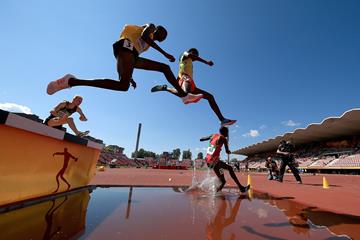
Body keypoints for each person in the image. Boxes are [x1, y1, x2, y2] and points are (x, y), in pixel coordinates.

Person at [46, 24, 202, 105]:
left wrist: (130, 76)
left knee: (124, 85)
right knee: (165, 66)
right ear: (159, 30)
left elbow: (133, 56)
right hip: (125, 46)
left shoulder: (146, 46)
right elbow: (144, 36)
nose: (162, 39)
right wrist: (165, 53)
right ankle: (184, 95)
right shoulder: (151, 27)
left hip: (131, 54)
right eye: (163, 36)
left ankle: (71, 81)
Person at [151, 48, 236, 126]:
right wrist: (206, 62)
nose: (196, 57)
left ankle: (222, 120)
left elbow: (181, 71)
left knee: (210, 97)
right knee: (185, 92)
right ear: (191, 52)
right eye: (196, 55)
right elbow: (189, 57)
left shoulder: (190, 63)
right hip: (184, 78)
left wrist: (177, 86)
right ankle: (180, 93)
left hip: (190, 82)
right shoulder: (184, 55)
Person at [200, 126, 250, 192]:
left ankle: (215, 193)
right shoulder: (223, 138)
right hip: (215, 161)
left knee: (223, 181)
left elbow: (201, 139)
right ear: (225, 132)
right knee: (230, 168)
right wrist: (229, 151)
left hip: (209, 161)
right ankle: (241, 188)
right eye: (227, 132)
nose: (228, 134)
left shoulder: (213, 135)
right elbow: (227, 151)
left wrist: (209, 140)